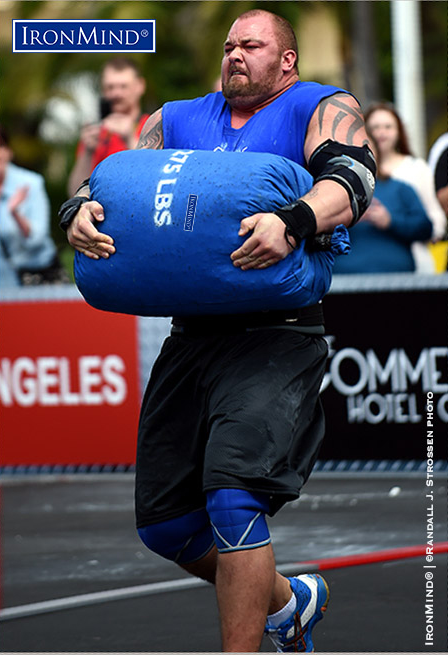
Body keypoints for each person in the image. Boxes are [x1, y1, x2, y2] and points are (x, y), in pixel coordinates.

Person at [59, 10, 376, 652]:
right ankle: (289, 602)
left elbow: (354, 179)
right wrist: (79, 211)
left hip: (277, 336)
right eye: (229, 44)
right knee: (167, 526)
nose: (234, 53)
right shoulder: (174, 118)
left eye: (251, 45)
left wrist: (293, 221)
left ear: (285, 59)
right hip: (193, 334)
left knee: (234, 499)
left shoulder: (320, 104)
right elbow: (111, 185)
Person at [364, 102, 446, 273]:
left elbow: (435, 218)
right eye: (375, 127)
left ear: (398, 131)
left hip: (415, 260)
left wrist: (422, 232)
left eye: (388, 126)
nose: (381, 133)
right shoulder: (356, 172)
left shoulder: (417, 168)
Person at [333, 135, 432, 273]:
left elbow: (426, 229)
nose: (359, 154)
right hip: (343, 282)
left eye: (366, 148)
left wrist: (390, 221)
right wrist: (345, 219)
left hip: (398, 282)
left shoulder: (401, 189)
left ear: (376, 154)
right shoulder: (331, 192)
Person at [67, 57, 149, 196]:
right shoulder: (96, 134)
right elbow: (74, 193)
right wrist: (87, 152)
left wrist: (129, 138)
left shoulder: (153, 125)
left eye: (123, 86)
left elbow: (154, 178)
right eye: (110, 87)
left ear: (140, 86)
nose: (116, 94)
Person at [0, 129, 68, 288]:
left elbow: (37, 240)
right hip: (4, 285)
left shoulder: (31, 183)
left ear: (8, 151)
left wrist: (15, 213)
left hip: (39, 277)